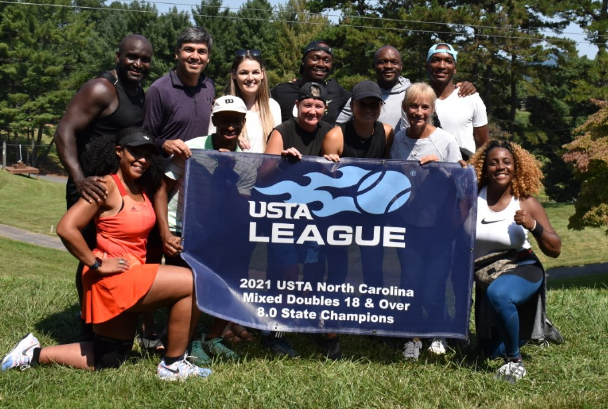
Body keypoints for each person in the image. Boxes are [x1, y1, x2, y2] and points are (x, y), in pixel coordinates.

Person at [1, 128, 211, 381]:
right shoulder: (106, 185)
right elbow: (66, 228)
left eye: (147, 155)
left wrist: (166, 235)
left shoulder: (139, 186)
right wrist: (97, 263)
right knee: (194, 282)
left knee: (109, 358)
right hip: (113, 276)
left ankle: (30, 354)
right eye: (135, 152)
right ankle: (173, 365)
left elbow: (158, 195)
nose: (142, 160)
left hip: (128, 274)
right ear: (119, 152)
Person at [54, 34, 153, 341]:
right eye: (131, 57)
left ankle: (105, 319)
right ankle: (88, 325)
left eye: (144, 59)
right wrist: (80, 178)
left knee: (111, 254)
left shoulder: (137, 92)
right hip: (90, 186)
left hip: (114, 188)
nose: (138, 64)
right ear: (117, 56)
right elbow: (63, 132)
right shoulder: (101, 88)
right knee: (89, 256)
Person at [154, 96, 252, 364]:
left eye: (235, 120)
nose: (229, 126)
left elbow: (239, 204)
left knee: (233, 279)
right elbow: (162, 190)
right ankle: (186, 342)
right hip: (183, 227)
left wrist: (227, 173)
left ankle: (213, 337)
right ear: (214, 121)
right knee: (192, 288)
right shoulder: (192, 148)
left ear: (243, 123)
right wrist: (165, 233)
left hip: (219, 230)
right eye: (223, 120)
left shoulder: (247, 159)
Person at [470, 139, 561, 382]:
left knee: (500, 294)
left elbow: (555, 249)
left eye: (506, 162)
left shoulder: (525, 201)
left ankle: (514, 362)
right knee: (489, 350)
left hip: (523, 268)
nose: (500, 167)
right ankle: (537, 326)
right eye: (493, 163)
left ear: (516, 167)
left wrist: (534, 226)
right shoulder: (472, 197)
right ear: (483, 168)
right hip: (486, 274)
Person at [264, 82, 339, 359]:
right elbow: (262, 176)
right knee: (286, 273)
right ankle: (276, 332)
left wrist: (333, 165)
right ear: (297, 106)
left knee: (313, 273)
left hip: (315, 218)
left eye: (318, 106)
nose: (312, 110)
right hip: (284, 215)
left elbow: (339, 177)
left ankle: (307, 323)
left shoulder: (330, 132)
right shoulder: (282, 131)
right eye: (307, 104)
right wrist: (280, 162)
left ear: (325, 108)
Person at [389, 82, 463, 361]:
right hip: (408, 225)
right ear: (405, 108)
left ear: (432, 109)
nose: (418, 112)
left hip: (440, 229)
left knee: (434, 287)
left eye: (425, 106)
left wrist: (441, 169)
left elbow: (462, 182)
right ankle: (413, 336)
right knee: (410, 284)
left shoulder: (445, 140)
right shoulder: (398, 139)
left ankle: (438, 331)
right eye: (413, 106)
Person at [337, 45, 476, 132]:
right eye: (382, 62)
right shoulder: (363, 95)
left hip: (404, 164)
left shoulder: (413, 93)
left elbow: (430, 128)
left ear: (401, 66)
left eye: (394, 62)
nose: (389, 66)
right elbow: (338, 127)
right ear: (373, 67)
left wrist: (465, 86)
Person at [144, 27, 215, 159]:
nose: (195, 56)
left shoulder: (209, 86)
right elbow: (145, 137)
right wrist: (164, 144)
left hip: (198, 170)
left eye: (201, 51)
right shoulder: (159, 90)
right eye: (189, 50)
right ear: (177, 53)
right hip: (165, 174)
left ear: (208, 57)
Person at [208, 49, 281, 153]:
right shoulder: (222, 107)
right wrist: (231, 141)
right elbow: (210, 144)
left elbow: (277, 148)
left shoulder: (273, 107)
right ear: (234, 74)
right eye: (244, 73)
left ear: (262, 74)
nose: (250, 78)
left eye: (255, 72)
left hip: (265, 169)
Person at [426, 43, 489, 160]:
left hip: (463, 172)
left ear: (455, 68)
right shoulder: (418, 99)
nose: (442, 66)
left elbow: (484, 146)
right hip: (426, 172)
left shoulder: (471, 98)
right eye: (436, 60)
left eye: (448, 61)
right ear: (427, 66)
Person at [271, 40, 350, 125]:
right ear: (303, 61)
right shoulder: (281, 91)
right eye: (315, 59)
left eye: (326, 60)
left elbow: (359, 104)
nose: (321, 64)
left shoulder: (336, 90)